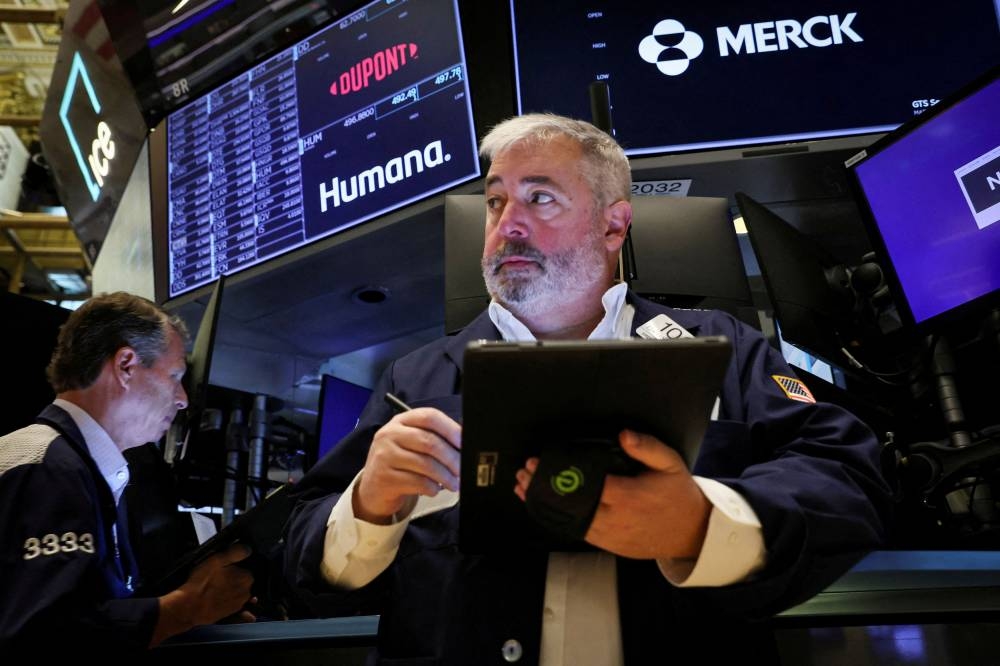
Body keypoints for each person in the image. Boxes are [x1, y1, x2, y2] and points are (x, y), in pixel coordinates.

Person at [283, 114, 892, 664]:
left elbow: (844, 474)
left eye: (539, 198)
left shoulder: (719, 347)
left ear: (613, 224)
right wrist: (367, 505)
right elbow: (302, 548)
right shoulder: (412, 380)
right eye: (495, 202)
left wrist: (701, 524)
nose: (507, 225)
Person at [0, 292, 255, 653]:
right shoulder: (45, 468)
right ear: (125, 365)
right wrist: (188, 607)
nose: (182, 398)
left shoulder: (89, 470)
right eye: (175, 376)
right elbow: (44, 637)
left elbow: (91, 611)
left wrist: (190, 607)